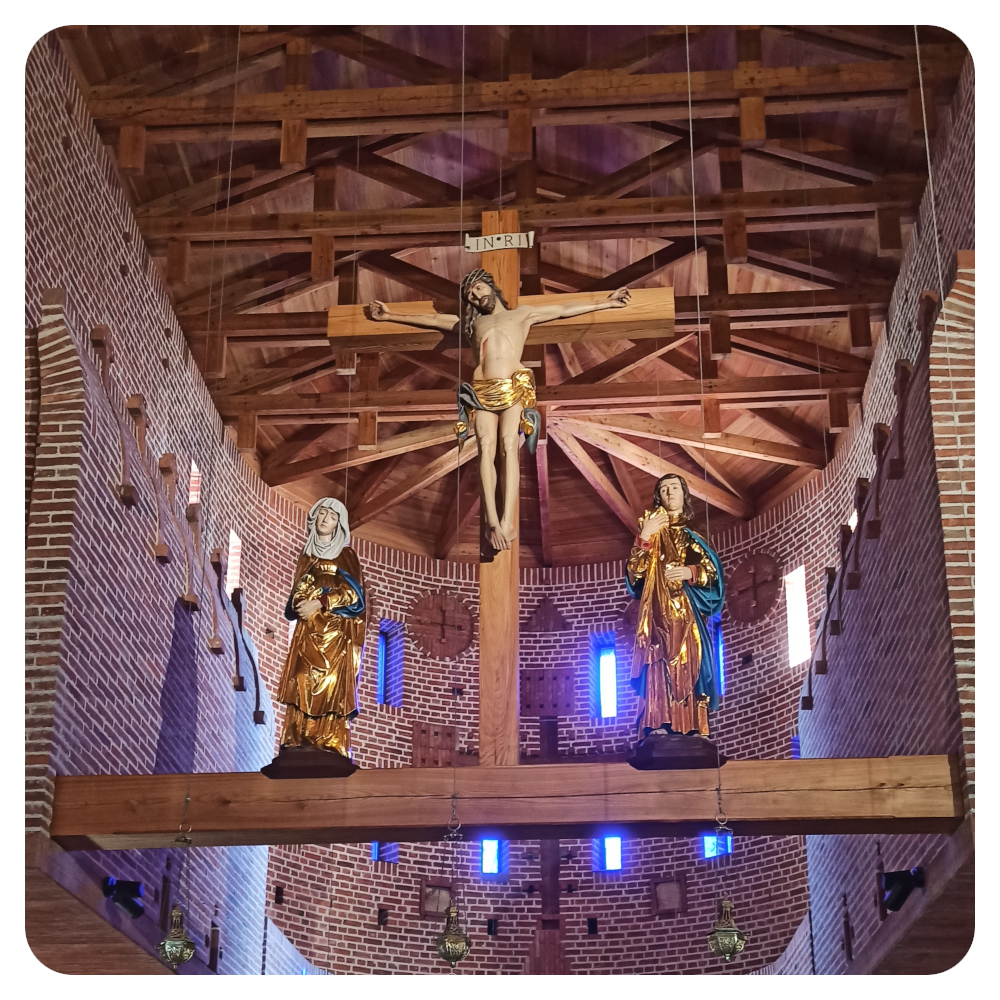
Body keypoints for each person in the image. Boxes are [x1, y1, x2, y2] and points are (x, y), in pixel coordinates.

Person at [369, 270, 630, 551]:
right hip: (482, 388)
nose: (475, 296)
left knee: (508, 446)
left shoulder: (522, 314)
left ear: (491, 286)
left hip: (511, 385)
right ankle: (492, 520)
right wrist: (390, 315)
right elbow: (433, 320)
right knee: (485, 447)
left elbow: (562, 309)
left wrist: (607, 302)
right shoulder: (472, 324)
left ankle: (507, 520)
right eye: (470, 295)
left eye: (478, 288)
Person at [625, 474, 725, 739]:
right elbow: (635, 576)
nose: (670, 492)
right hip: (656, 613)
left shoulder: (695, 534)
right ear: (659, 496)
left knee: (689, 661)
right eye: (664, 489)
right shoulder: (651, 531)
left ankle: (694, 726)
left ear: (684, 494)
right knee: (657, 664)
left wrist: (690, 572)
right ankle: (657, 722)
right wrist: (644, 536)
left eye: (675, 487)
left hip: (687, 612)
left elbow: (713, 573)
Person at [276, 497, 367, 761]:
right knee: (301, 680)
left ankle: (329, 740)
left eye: (333, 516)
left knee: (331, 686)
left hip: (335, 634)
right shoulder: (307, 557)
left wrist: (321, 602)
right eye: (323, 513)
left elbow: (355, 596)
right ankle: (297, 737)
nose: (326, 519)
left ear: (339, 524)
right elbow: (296, 593)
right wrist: (300, 602)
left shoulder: (346, 555)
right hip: (308, 632)